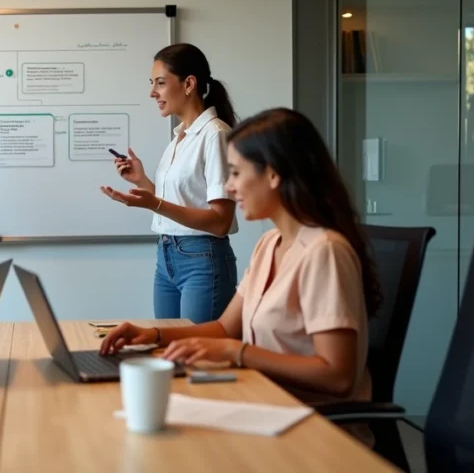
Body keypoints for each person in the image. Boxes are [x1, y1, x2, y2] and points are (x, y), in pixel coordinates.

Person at [100, 107, 380, 411]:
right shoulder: (269, 243)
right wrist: (152, 335)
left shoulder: (324, 251)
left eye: (235, 173)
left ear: (273, 174)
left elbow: (337, 376)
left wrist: (237, 352)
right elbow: (224, 328)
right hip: (263, 403)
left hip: (310, 423)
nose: (229, 188)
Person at [100, 43, 239, 323]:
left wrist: (155, 203)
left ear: (189, 84)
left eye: (160, 83)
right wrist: (142, 181)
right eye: (152, 83)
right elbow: (177, 205)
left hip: (202, 259)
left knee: (194, 348)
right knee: (166, 345)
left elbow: (220, 222)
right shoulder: (180, 137)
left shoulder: (215, 135)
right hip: (166, 257)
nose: (152, 92)